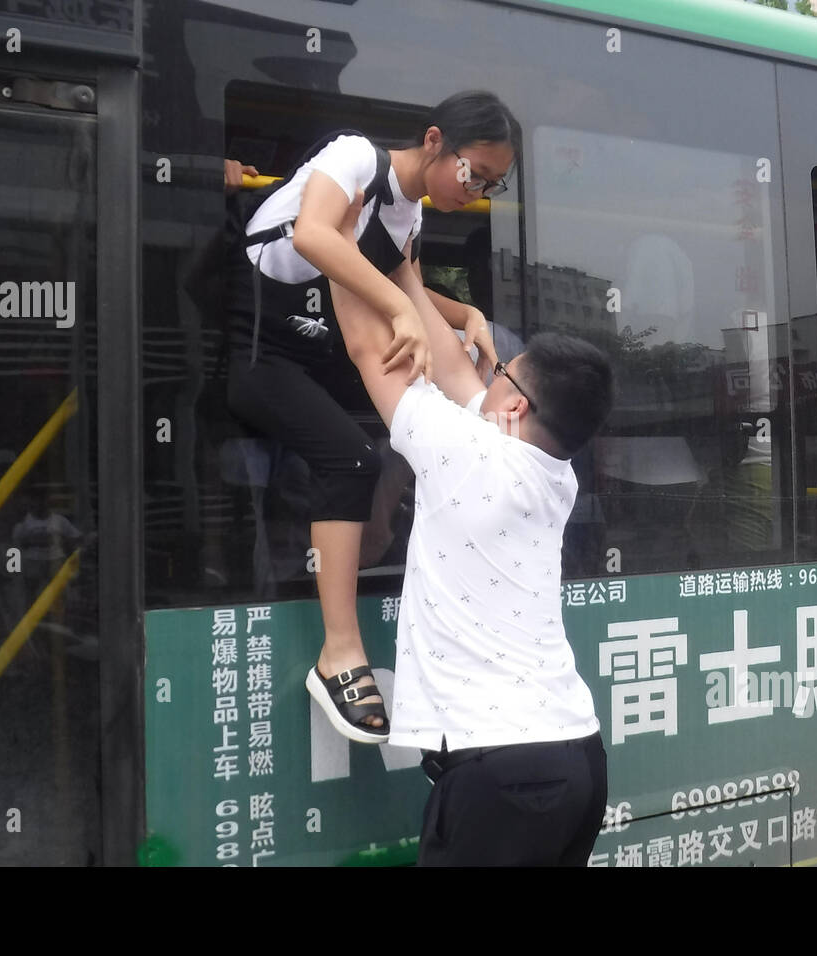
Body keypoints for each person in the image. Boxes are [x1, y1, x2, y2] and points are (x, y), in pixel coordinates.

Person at [322, 184, 614, 864]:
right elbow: (455, 369)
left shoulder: (466, 452)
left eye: (502, 370)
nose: (485, 364)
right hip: (576, 759)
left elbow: (370, 347)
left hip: (503, 776)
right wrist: (401, 254)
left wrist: (334, 216)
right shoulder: (552, 473)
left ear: (512, 405)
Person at [224, 91, 519, 745]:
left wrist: (485, 415)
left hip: (313, 356)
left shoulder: (407, 218)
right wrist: (404, 307)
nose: (475, 194)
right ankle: (338, 655)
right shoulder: (355, 157)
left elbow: (422, 325)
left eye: (491, 186)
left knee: (400, 456)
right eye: (475, 173)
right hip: (257, 352)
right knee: (352, 458)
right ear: (437, 140)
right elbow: (313, 234)